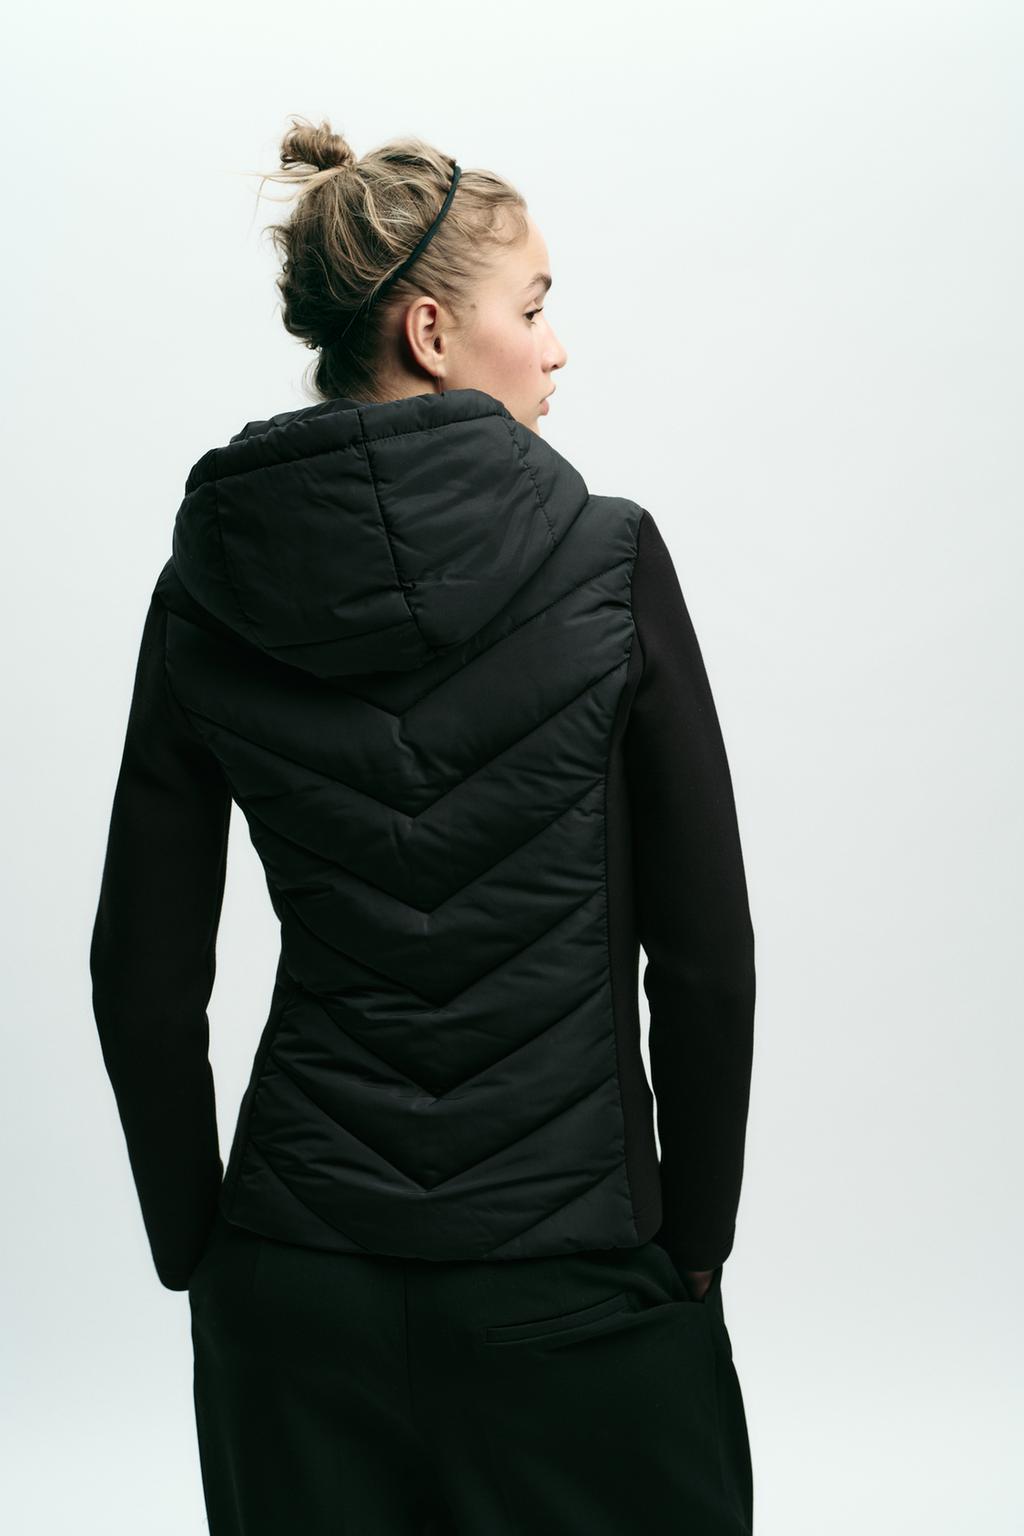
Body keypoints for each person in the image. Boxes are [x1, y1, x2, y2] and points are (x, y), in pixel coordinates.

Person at [90, 116, 757, 1536]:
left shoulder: (204, 590)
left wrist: (199, 1249)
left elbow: (142, 976)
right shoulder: (609, 559)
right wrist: (692, 1240)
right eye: (536, 306)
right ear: (436, 332)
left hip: (295, 1284)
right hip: (577, 1282)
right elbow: (704, 961)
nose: (557, 347)